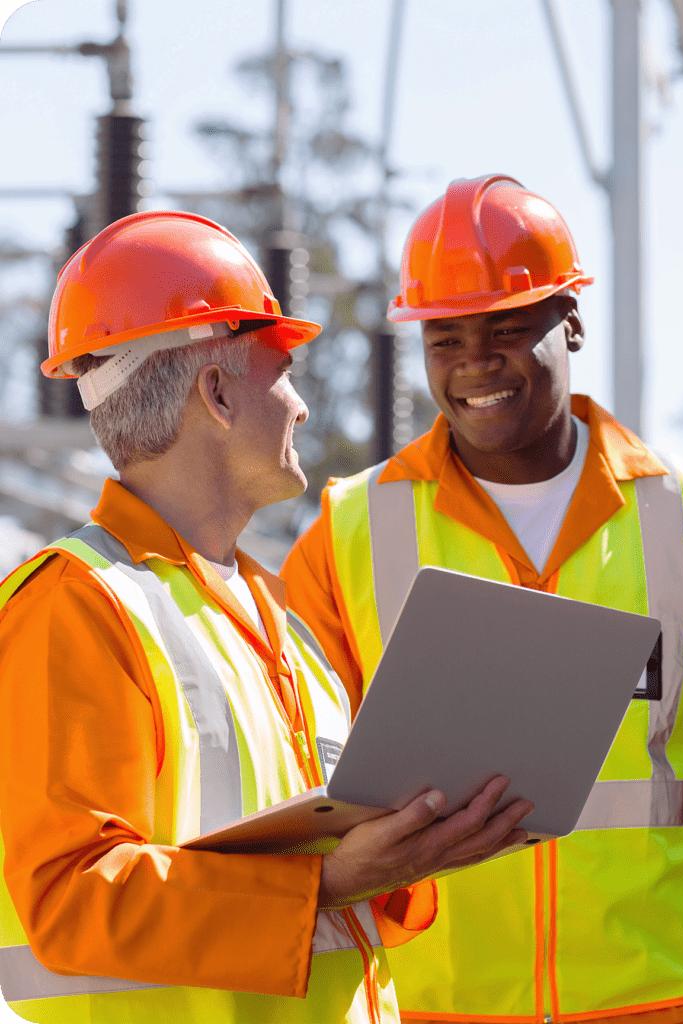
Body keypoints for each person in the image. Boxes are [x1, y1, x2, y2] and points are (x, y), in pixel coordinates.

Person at [282, 175, 683, 1024]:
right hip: (431, 1010)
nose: (475, 362)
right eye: (445, 338)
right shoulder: (348, 533)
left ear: (571, 321)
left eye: (506, 329)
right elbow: (293, 788)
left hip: (652, 1008)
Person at [0, 209, 533, 1024]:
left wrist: (414, 849)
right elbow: (76, 899)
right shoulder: (77, 607)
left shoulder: (277, 617)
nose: (300, 408)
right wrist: (336, 879)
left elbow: (328, 881)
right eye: (281, 372)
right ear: (215, 392)